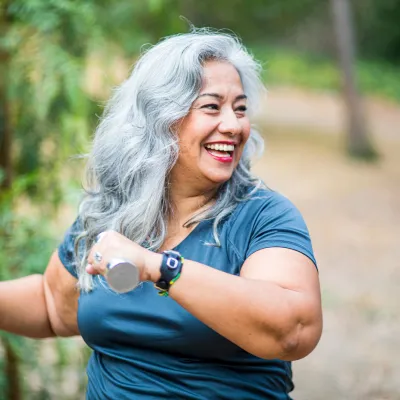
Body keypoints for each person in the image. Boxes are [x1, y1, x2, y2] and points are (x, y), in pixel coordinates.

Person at [0, 29, 322, 399]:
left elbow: (292, 330)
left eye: (240, 108)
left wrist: (160, 268)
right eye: (212, 107)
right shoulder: (113, 209)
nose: (234, 126)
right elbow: (53, 306)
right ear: (160, 117)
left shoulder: (264, 217)